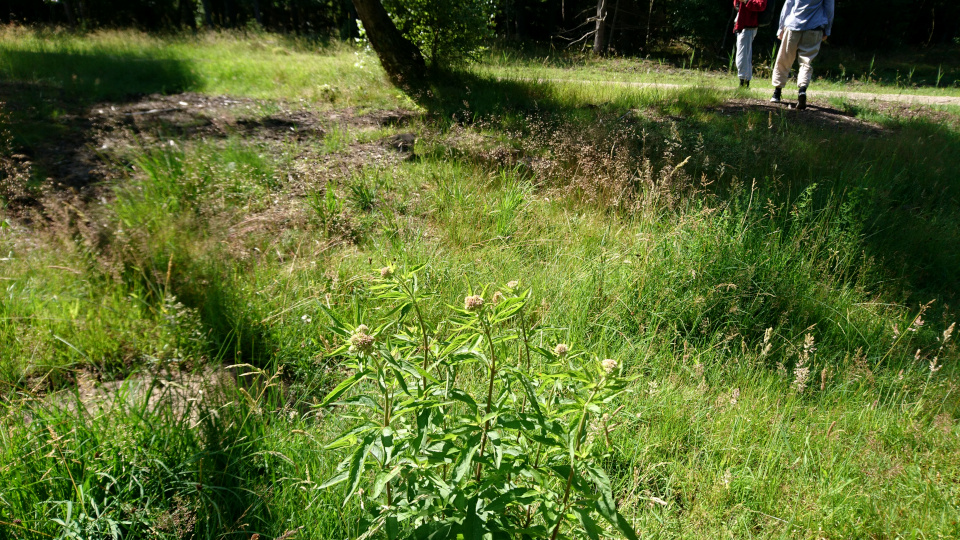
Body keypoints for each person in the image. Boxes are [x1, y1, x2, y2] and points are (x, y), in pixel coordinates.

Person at [770, 0, 835, 110]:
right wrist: (827, 30)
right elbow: (829, 9)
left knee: (784, 58)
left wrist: (781, 27)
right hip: (815, 28)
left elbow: (788, 5)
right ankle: (802, 90)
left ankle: (777, 93)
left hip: (793, 25)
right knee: (806, 61)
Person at [732, 0, 768, 88]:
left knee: (742, 57)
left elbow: (761, 5)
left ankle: (743, 83)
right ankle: (745, 83)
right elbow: (736, 5)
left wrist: (745, 1)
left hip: (748, 27)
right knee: (744, 56)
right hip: (741, 26)